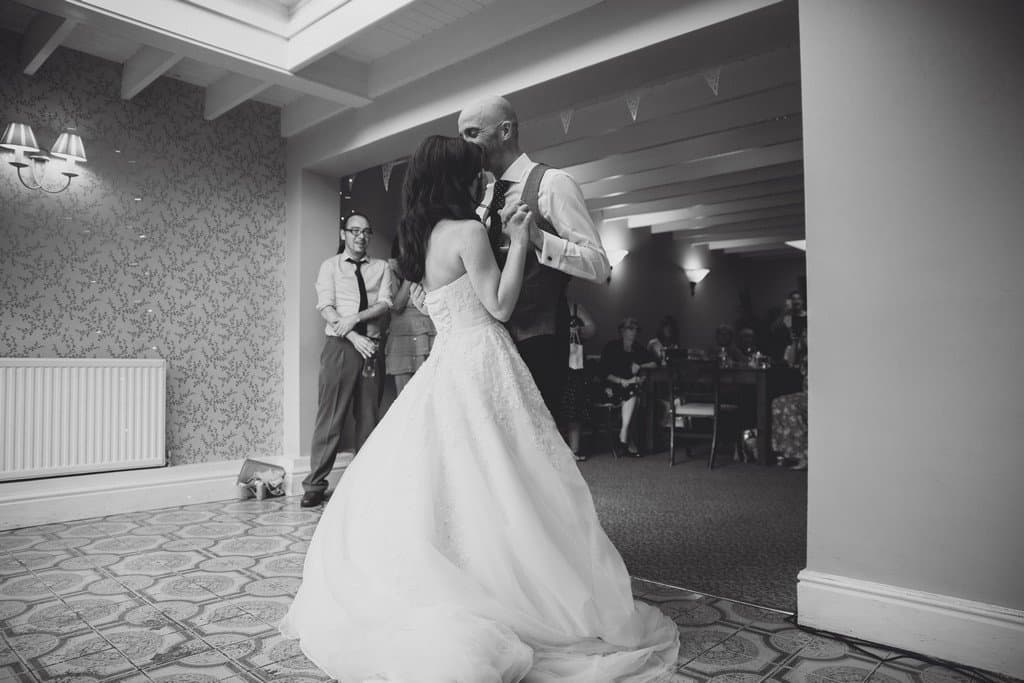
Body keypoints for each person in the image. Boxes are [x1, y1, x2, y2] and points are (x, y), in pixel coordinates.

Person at [280, 136, 678, 682]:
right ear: (458, 179)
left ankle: (470, 573)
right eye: (475, 173)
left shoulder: (419, 238)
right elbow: (500, 305)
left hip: (447, 358)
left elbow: (428, 302)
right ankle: (509, 585)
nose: (483, 180)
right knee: (507, 475)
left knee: (461, 477)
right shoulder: (467, 231)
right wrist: (521, 239)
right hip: (483, 356)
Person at [456, 95, 610, 422]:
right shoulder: (482, 196)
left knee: (537, 437)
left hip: (540, 339)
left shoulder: (553, 184)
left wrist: (538, 238)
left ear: (505, 131)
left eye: (472, 133)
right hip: (492, 343)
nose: (464, 144)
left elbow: (599, 265)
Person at [300, 213, 392, 509]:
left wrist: (356, 318)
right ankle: (315, 485)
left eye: (365, 231)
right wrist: (353, 335)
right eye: (354, 231)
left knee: (368, 417)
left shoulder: (381, 268)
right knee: (330, 417)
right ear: (344, 234)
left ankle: (362, 481)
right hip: (341, 347)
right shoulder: (330, 266)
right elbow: (326, 307)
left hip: (372, 348)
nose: (360, 236)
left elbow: (385, 303)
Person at [600, 318, 659, 457]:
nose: (634, 332)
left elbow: (655, 363)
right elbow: (603, 373)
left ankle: (624, 433)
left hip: (630, 387)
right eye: (630, 329)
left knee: (635, 393)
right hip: (611, 386)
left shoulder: (637, 348)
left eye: (636, 329)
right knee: (636, 396)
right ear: (622, 331)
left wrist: (640, 365)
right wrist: (622, 381)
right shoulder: (612, 346)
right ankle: (628, 437)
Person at [385, 238, 436, 396]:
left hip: (429, 333)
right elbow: (397, 305)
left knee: (429, 393)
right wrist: (410, 275)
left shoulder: (430, 266)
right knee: (404, 396)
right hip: (402, 336)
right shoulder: (392, 268)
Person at [559, 300, 596, 461]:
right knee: (556, 404)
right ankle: (557, 448)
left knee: (575, 405)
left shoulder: (575, 308)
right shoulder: (548, 306)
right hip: (555, 360)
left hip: (575, 363)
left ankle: (575, 449)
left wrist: (579, 330)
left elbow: (592, 329)